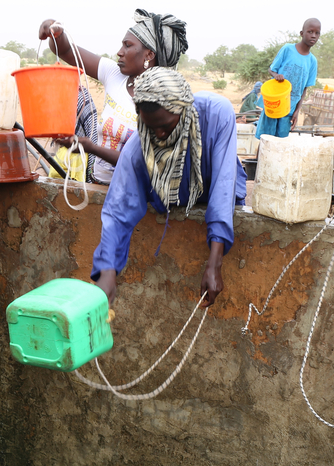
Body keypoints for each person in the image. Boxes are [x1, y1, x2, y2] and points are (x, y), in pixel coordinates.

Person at [91, 68, 247, 308]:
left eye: (165, 126)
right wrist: (107, 272)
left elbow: (223, 186)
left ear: (183, 112)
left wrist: (215, 262)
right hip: (172, 197)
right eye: (151, 127)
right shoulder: (138, 147)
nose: (159, 135)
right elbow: (118, 209)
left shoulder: (217, 113)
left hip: (212, 189)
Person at [38, 9, 188, 184]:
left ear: (149, 55)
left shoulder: (164, 105)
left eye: (127, 45)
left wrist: (92, 148)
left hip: (133, 197)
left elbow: (147, 164)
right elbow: (65, 51)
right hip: (96, 184)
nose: (119, 52)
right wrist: (55, 30)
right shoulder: (115, 75)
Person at [255, 19, 320, 140]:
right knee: (265, 140)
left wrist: (297, 111)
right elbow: (271, 69)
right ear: (302, 33)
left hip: (289, 109)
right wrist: (276, 75)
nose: (313, 36)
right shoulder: (288, 49)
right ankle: (260, 159)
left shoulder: (312, 61)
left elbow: (304, 89)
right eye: (310, 31)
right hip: (273, 103)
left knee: (281, 143)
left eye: (317, 33)